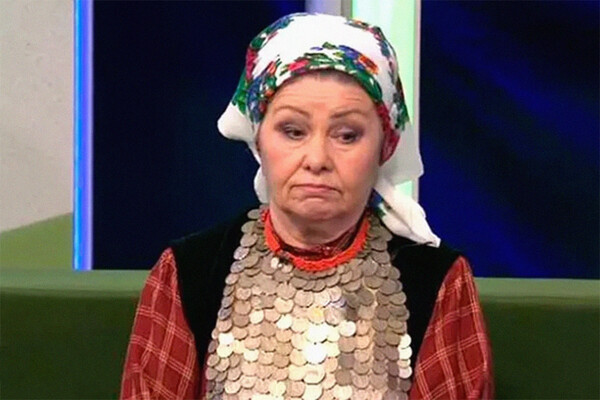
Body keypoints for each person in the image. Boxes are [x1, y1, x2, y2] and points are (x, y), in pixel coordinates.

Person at [120, 13, 493, 400]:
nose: (317, 159)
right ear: (258, 140)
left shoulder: (438, 282)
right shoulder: (189, 274)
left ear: (385, 146)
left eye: (347, 135)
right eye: (293, 131)